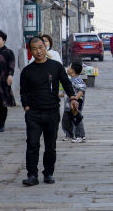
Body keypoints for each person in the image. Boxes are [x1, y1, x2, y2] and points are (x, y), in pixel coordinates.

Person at [20, 36, 76, 186]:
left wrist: (72, 97)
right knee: (32, 144)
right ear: (30, 51)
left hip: (51, 111)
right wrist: (26, 107)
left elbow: (66, 83)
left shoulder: (56, 67)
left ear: (46, 47)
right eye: (35, 49)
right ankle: (32, 174)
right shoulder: (27, 71)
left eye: (41, 47)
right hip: (34, 114)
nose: (38, 51)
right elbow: (23, 92)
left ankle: (48, 173)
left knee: (50, 145)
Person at [61, 61, 87, 142]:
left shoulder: (77, 80)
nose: (67, 69)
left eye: (69, 67)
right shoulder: (70, 80)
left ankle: (81, 136)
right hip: (68, 103)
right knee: (66, 120)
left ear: (72, 70)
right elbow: (65, 92)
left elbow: (82, 90)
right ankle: (69, 135)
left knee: (76, 119)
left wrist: (75, 98)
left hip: (76, 103)